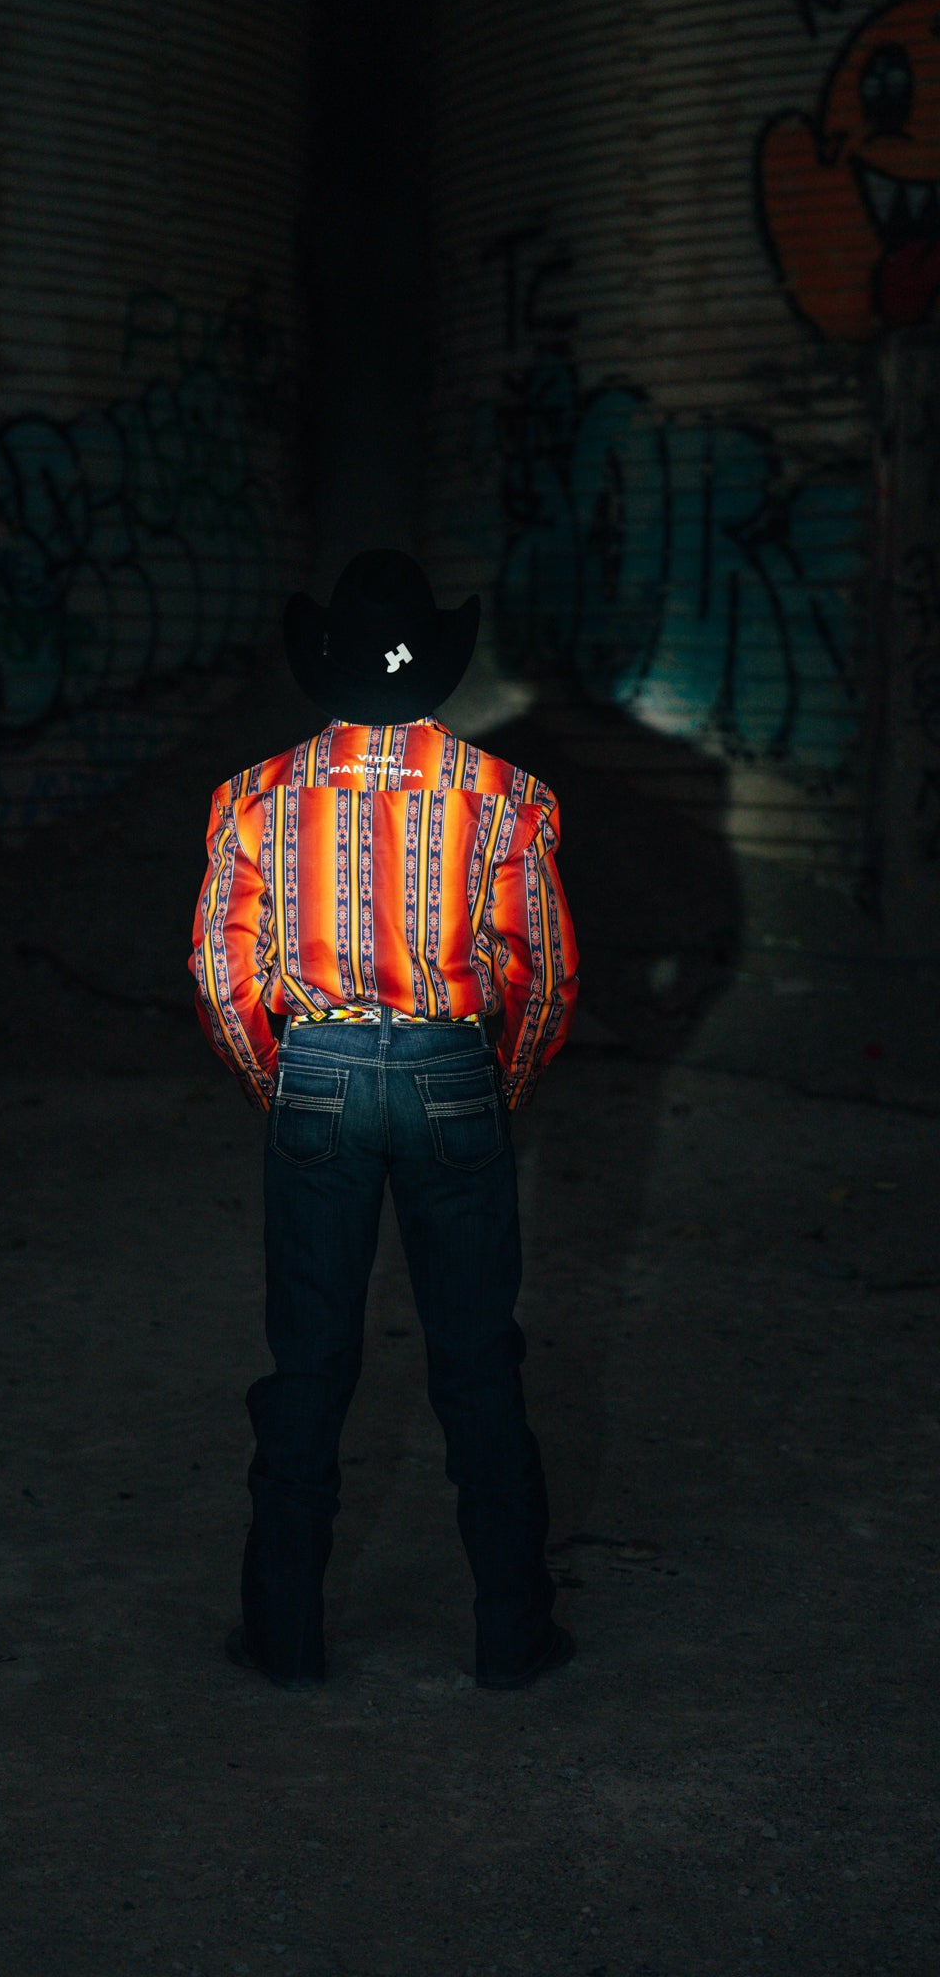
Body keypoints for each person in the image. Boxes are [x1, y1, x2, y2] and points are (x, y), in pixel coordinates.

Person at [190, 549, 579, 1691]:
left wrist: (286, 1078)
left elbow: (223, 976)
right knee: (478, 1360)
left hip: (313, 1073)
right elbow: (544, 979)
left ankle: (283, 1634)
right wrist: (486, 1087)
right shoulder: (504, 794)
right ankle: (512, 1634)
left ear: (324, 668)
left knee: (306, 1359)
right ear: (438, 671)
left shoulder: (254, 794)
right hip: (454, 1068)